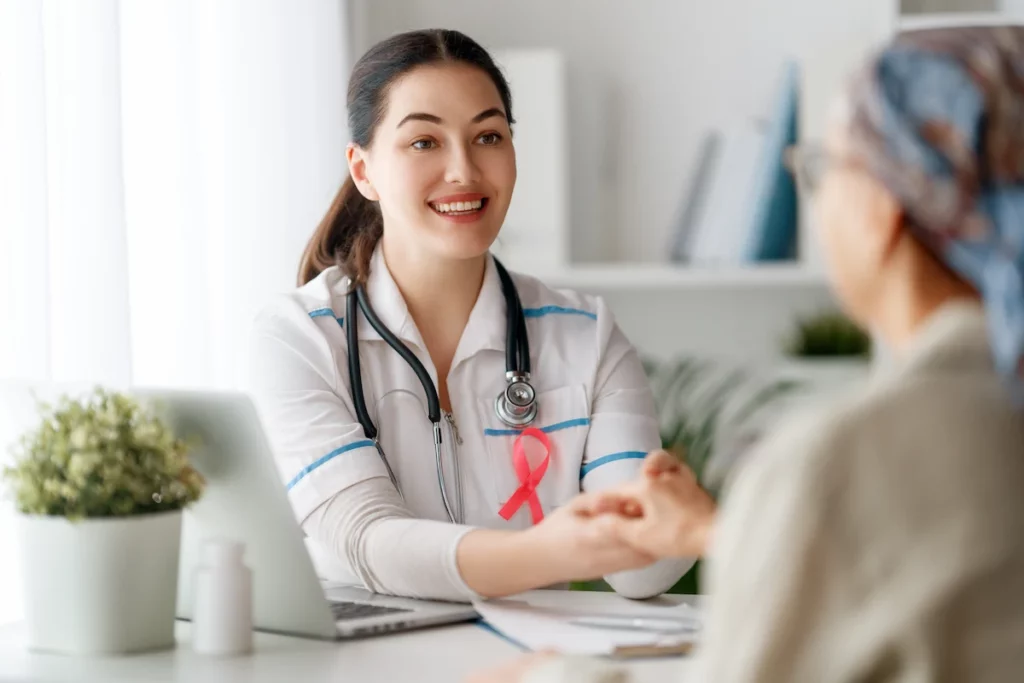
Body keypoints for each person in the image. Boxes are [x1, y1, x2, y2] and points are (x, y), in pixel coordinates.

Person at [472, 25, 1024, 683]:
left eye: (824, 170)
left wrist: (554, 677)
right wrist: (737, 536)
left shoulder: (836, 465)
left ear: (880, 211)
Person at [246, 28, 693, 603]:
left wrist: (668, 521)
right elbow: (364, 537)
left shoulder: (586, 335)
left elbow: (639, 570)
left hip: (528, 661)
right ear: (363, 170)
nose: (463, 170)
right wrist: (551, 551)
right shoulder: (299, 335)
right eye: (424, 143)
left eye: (487, 136)